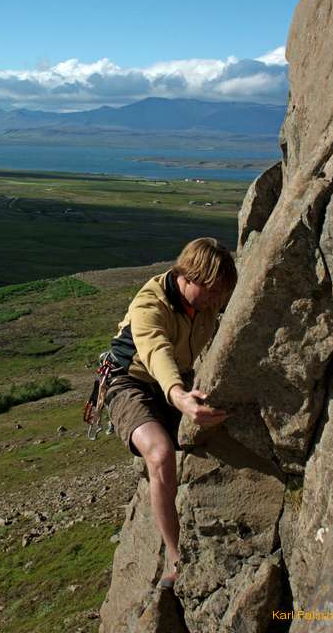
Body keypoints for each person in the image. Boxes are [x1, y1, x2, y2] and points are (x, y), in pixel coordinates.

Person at [105, 237, 237, 586]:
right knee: (161, 454)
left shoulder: (206, 299)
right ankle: (176, 558)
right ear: (188, 276)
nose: (215, 301)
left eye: (220, 293)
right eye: (211, 291)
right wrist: (179, 396)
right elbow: (156, 352)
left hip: (177, 380)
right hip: (129, 382)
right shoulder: (150, 304)